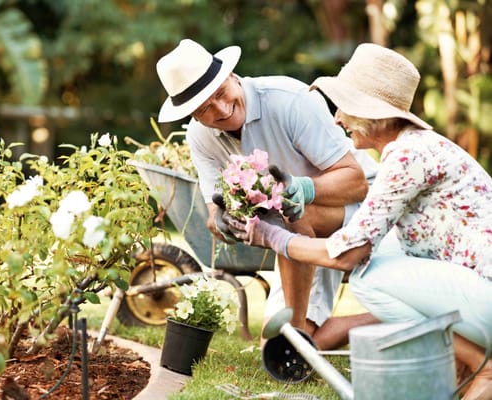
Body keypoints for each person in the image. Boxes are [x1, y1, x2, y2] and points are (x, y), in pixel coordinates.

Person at [224, 43, 492, 400]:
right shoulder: (411, 148)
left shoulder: (408, 157)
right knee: (386, 254)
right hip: (477, 287)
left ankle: (482, 365)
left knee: (367, 275)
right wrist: (296, 212)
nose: (337, 119)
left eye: (344, 107)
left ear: (372, 113)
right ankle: (463, 363)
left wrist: (269, 236)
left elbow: (348, 254)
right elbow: (359, 236)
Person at [155, 38, 380, 350]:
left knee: (290, 212)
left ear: (231, 76)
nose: (220, 109)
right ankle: (393, 321)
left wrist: (302, 188)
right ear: (192, 115)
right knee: (271, 347)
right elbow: (213, 212)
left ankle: (296, 334)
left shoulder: (289, 100)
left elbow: (357, 182)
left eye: (221, 93)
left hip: (364, 211)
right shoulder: (200, 137)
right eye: (205, 109)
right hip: (298, 237)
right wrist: (224, 220)